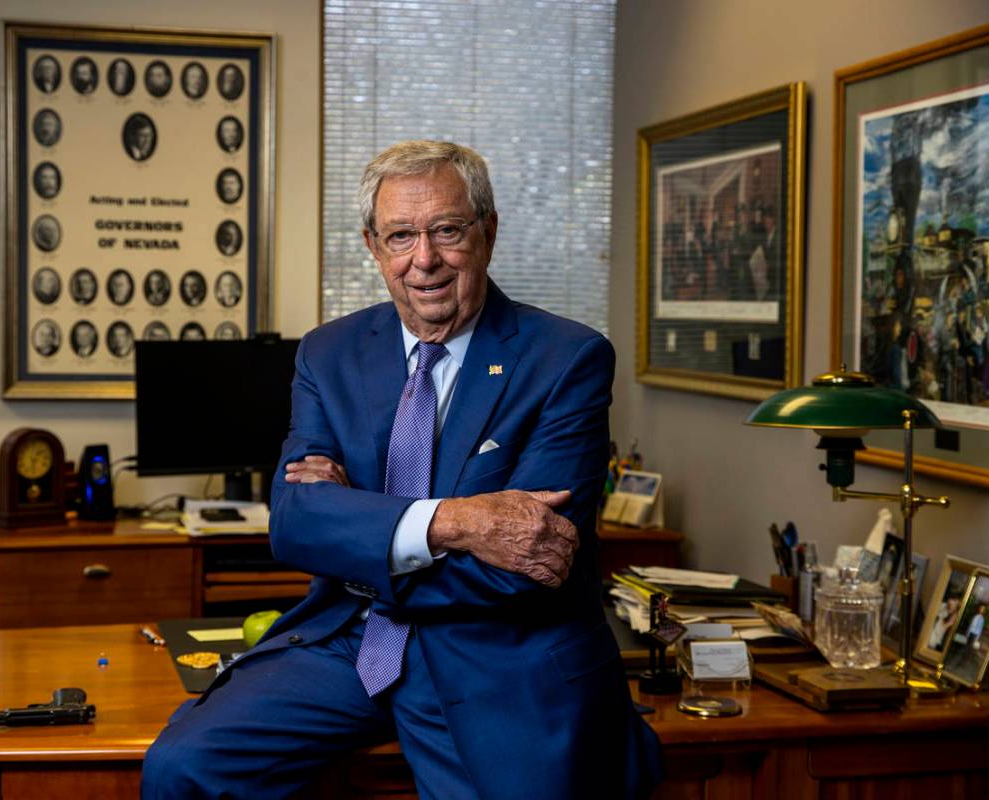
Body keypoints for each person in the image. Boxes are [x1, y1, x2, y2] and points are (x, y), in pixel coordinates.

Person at [142, 140, 661, 799]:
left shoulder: (567, 359)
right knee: (181, 768)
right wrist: (459, 521)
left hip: (496, 654)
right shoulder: (330, 354)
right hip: (348, 644)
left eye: (447, 230)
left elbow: (530, 562)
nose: (425, 260)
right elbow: (296, 524)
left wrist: (358, 537)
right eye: (401, 236)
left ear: (488, 232)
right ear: (372, 244)